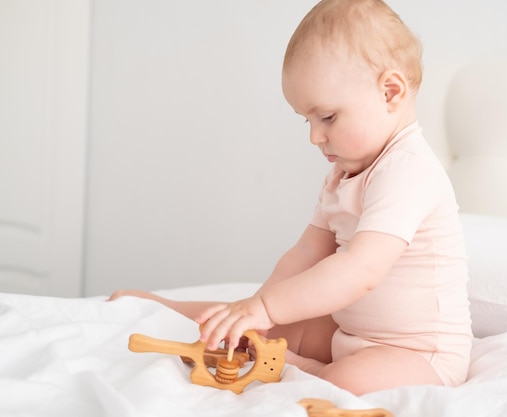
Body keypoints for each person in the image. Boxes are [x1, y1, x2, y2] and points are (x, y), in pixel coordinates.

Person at [109, 0, 472, 395]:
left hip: (419, 354)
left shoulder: (408, 169)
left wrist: (266, 308)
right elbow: (305, 254)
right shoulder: (342, 175)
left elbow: (360, 270)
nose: (315, 137)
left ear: (390, 92)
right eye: (308, 120)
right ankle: (165, 309)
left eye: (327, 118)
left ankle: (292, 368)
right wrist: (257, 309)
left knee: (342, 382)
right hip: (349, 332)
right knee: (255, 324)